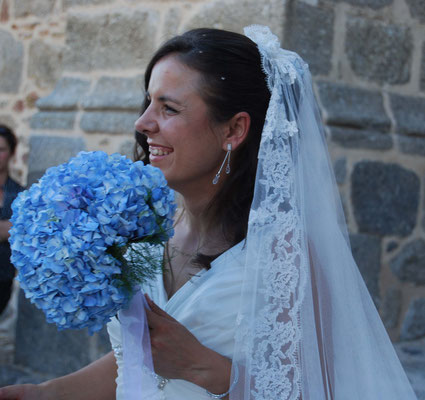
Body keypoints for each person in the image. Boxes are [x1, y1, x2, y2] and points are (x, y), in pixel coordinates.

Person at [0, 26, 418, 400]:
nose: (143, 123)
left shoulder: (285, 258)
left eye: (169, 108)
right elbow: (139, 359)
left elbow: (319, 390)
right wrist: (47, 392)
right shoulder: (144, 236)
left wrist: (203, 367)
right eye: (148, 103)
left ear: (234, 130)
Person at [0, 125, 24, 316]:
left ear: (11, 153)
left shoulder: (19, 194)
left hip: (3, 279)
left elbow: (25, 230)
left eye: (1, 149)